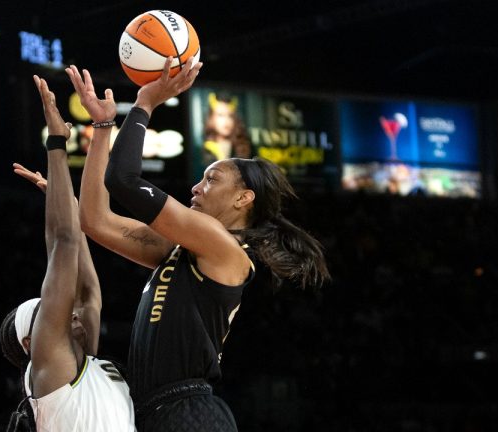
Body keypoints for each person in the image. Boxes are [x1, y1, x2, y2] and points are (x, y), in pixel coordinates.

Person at [67, 57, 330, 431]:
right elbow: (94, 220)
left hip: (187, 411)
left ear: (243, 199)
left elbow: (123, 180)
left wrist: (144, 104)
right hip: (153, 408)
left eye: (212, 179)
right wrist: (103, 126)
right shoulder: (185, 249)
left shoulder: (223, 247)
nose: (196, 187)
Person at [0, 75, 135, 431]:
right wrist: (57, 144)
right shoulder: (50, 374)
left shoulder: (87, 361)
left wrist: (68, 205)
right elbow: (64, 243)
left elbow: (88, 293)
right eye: (53, 311)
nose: (69, 310)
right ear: (33, 343)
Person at [202, 92, 253, 165]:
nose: (226, 121)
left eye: (230, 116)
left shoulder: (245, 145)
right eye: (220, 115)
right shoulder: (204, 148)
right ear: (211, 118)